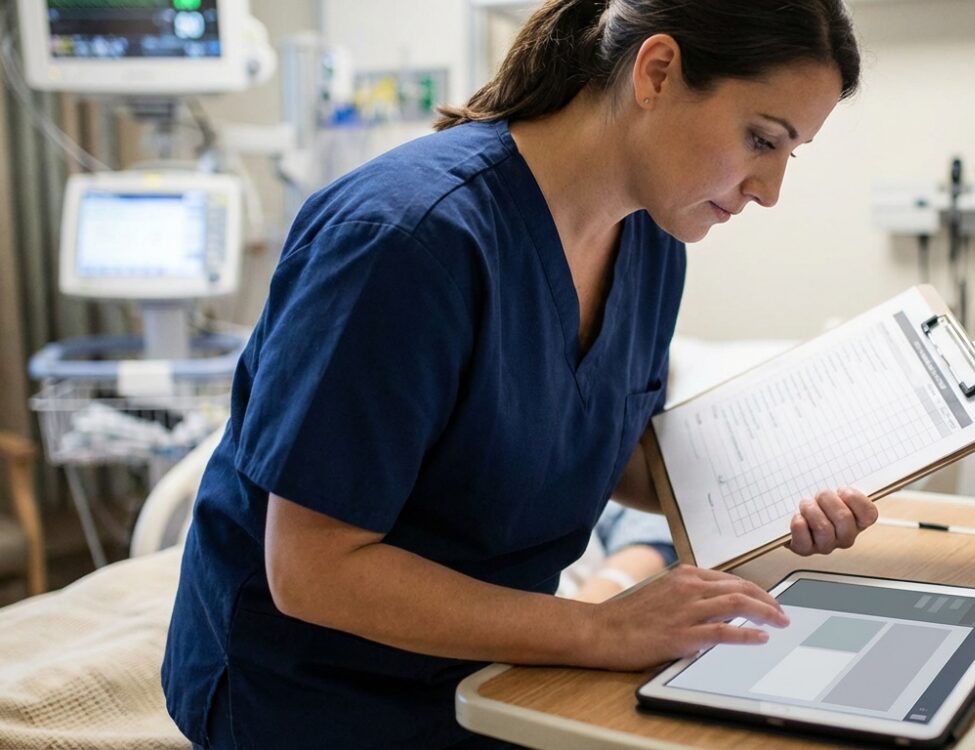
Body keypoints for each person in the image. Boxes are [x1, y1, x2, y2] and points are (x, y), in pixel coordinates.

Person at [161, 1, 875, 748]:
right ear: (657, 72)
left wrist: (772, 495)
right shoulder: (406, 242)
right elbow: (312, 569)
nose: (769, 189)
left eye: (789, 154)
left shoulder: (652, 245)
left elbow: (605, 446)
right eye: (761, 139)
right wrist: (598, 630)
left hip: (498, 665)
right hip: (316, 691)